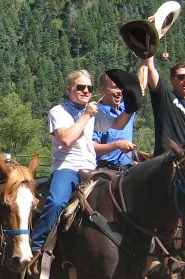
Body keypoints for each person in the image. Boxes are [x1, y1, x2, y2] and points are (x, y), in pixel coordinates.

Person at [30, 69, 136, 261]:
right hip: (67, 167)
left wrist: (132, 103)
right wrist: (86, 115)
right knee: (56, 202)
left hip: (93, 169)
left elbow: (118, 124)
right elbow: (66, 139)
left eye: (89, 87)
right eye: (81, 87)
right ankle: (36, 246)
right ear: (69, 89)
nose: (86, 91)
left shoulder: (95, 113)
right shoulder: (58, 111)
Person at [93, 70, 137, 170]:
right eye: (114, 87)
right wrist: (117, 145)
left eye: (121, 88)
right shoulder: (96, 114)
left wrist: (144, 61)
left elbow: (138, 90)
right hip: (106, 170)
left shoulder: (126, 111)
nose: (120, 92)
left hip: (128, 169)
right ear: (103, 89)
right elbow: (92, 149)